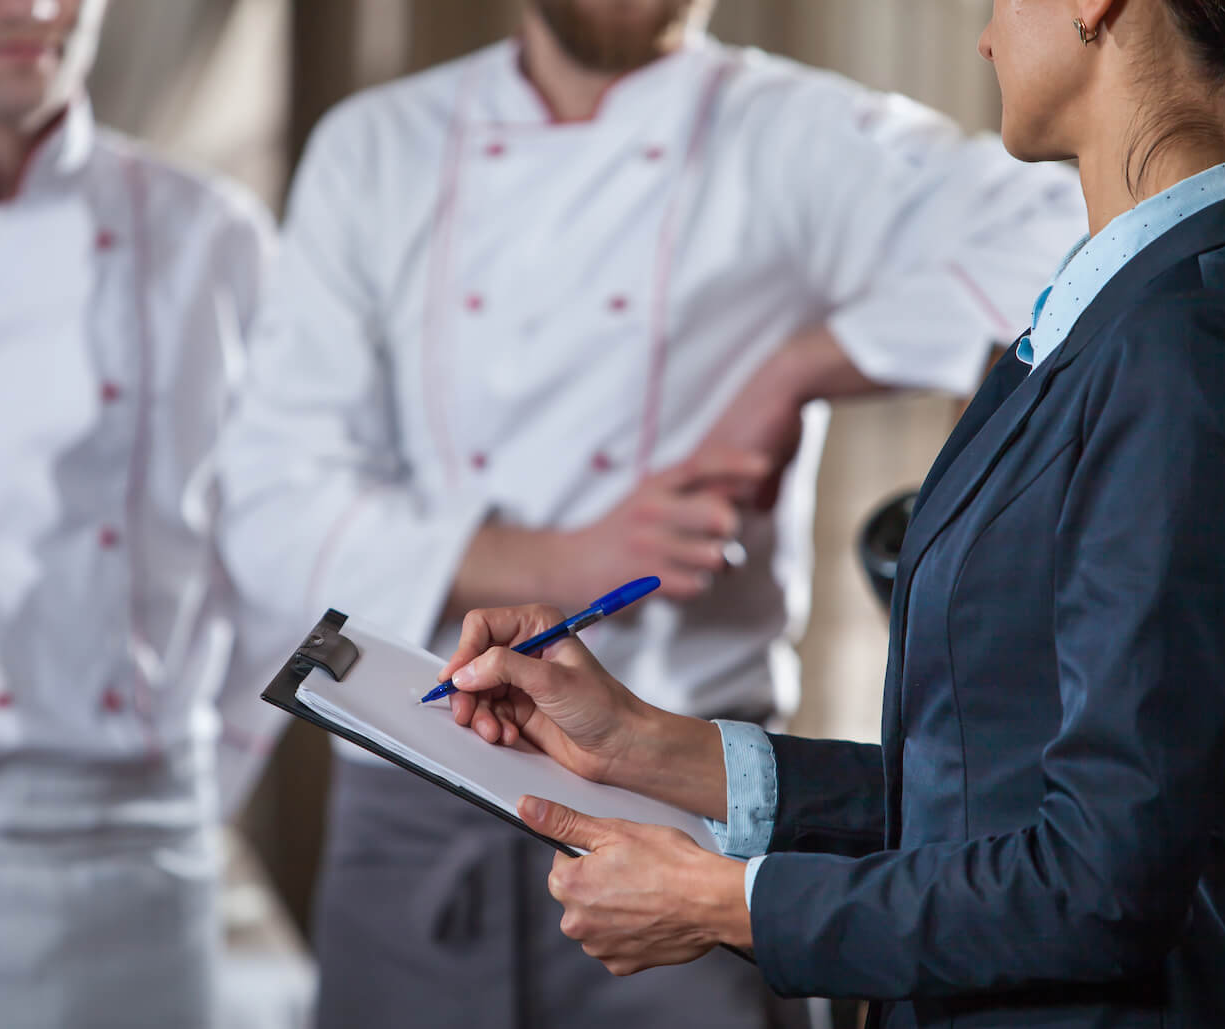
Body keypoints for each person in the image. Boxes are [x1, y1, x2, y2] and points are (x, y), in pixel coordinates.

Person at [436, 0, 1225, 1025]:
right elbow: (995, 802)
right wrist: (650, 750)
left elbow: (1098, 885)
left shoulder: (1183, 358)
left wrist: (724, 902)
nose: (987, 38)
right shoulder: (1147, 317)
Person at [218, 0, 1085, 1024]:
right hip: (416, 817)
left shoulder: (801, 132)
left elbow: (1084, 225)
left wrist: (799, 365)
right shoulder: (375, 147)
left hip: (691, 819)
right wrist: (568, 558)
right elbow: (274, 509)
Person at [0, 0, 279, 1025]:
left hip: (140, 867)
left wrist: (196, 793)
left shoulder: (211, 234)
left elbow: (281, 559)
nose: (36, 8)